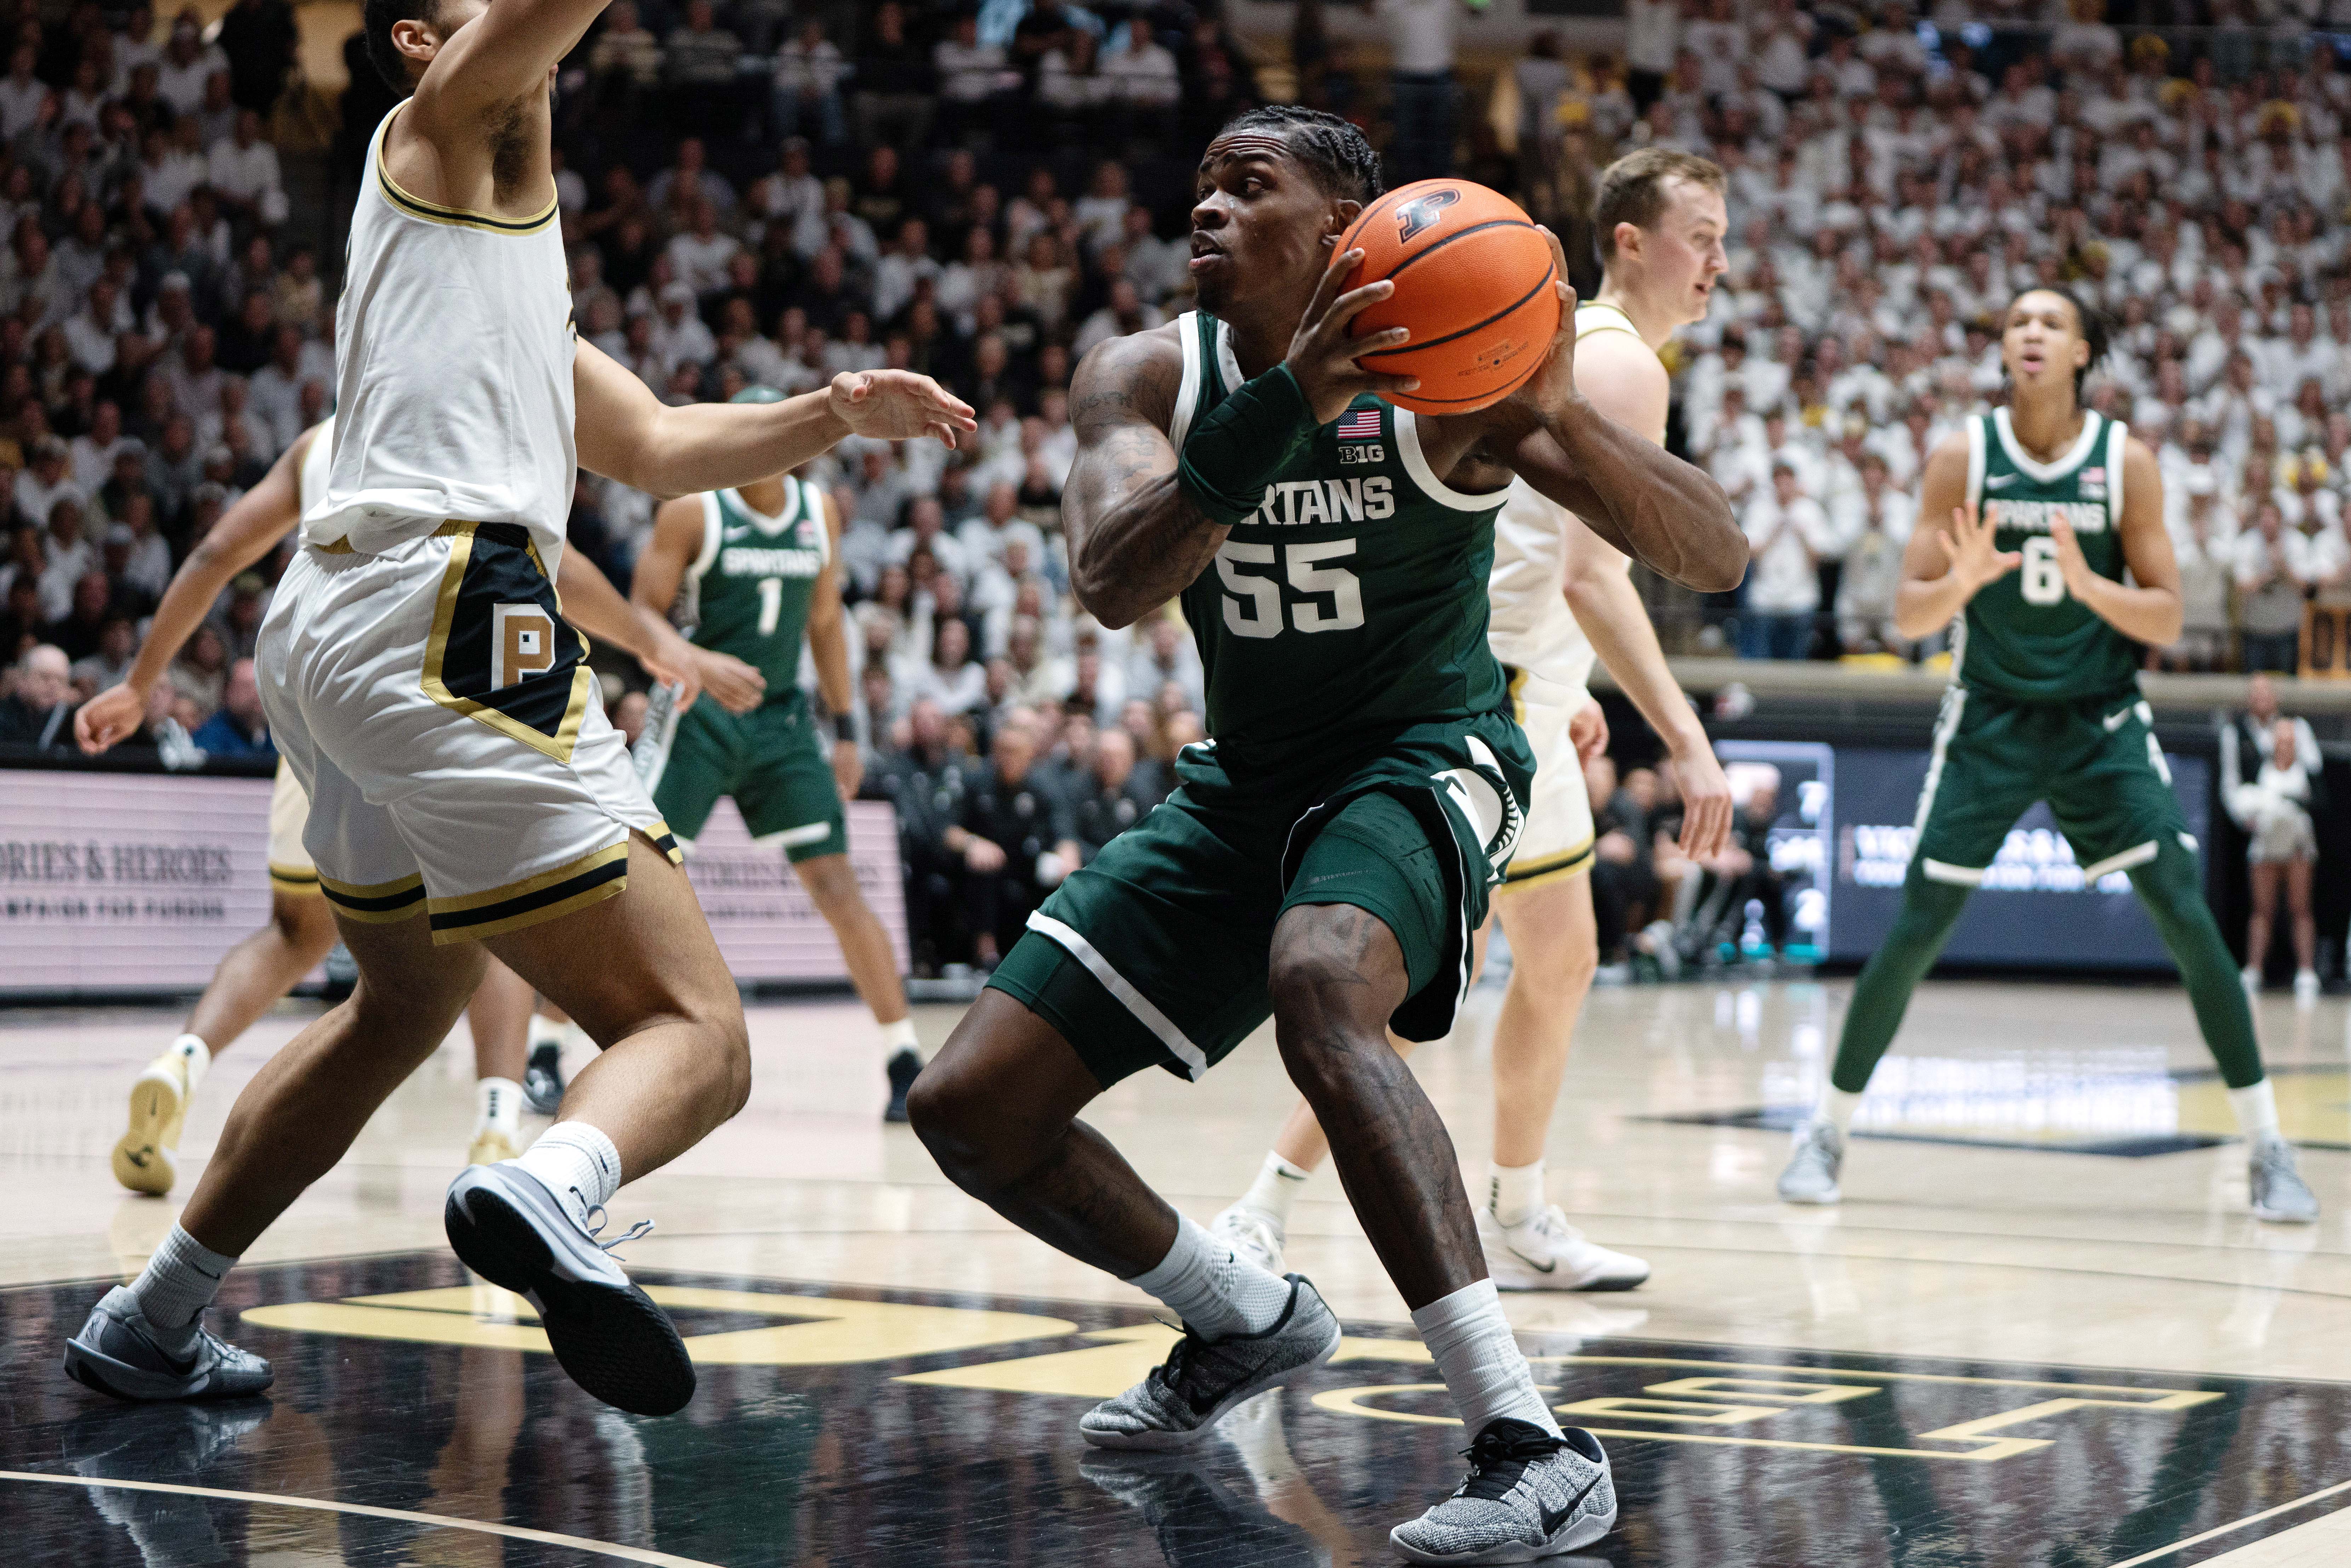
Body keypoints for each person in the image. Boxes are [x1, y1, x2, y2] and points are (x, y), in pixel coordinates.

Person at [61, 0, 973, 1418]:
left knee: (402, 1001)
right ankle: (549, 1190)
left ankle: (156, 1311)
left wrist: (830, 413)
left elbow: (664, 449)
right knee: (700, 1033)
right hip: (454, 614)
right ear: (425, 42)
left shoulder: (498, 280)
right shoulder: (431, 131)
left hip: (330, 633)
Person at [905, 105, 1742, 1563]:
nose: (1207, 213)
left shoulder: (1456, 380)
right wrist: (1289, 395)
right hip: (1242, 784)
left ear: (1347, 229)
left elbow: (1713, 551)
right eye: (1201, 190)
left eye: (1250, 188)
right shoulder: (1146, 373)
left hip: (1424, 758)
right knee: (968, 1106)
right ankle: (1240, 1317)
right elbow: (1113, 575)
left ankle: (1528, 1440)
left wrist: (1553, 404)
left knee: (1319, 977)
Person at [1207, 148, 1738, 1297]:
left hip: (1525, 685)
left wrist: (1576, 697)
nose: (1718, 262)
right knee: (1431, 977)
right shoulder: (1618, 362)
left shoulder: (1581, 353)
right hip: (1486, 690)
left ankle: (1526, 1212)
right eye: (1701, 234)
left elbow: (1537, 551)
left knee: (1559, 956)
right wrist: (1686, 740)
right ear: (1630, 241)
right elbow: (1601, 577)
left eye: (1725, 239)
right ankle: (1260, 1212)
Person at [73, 416, 758, 1192]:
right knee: (503, 914)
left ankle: (182, 1062)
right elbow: (554, 563)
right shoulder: (465, 421)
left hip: (319, 685)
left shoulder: (318, 442)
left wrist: (139, 683)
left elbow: (214, 553)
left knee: (299, 939)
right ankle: (500, 1127)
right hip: (428, 679)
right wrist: (654, 643)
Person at [1776, 286, 2317, 1225]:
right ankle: (1824, 1129)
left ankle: (2269, 1147)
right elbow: (1905, 614)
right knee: (1916, 923)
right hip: (1989, 717)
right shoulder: (1961, 457)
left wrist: (2087, 585)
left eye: (2049, 323)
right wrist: (1965, 577)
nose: (2028, 333)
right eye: (2016, 321)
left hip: (2099, 721)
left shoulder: (2126, 464)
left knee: (2187, 918)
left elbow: (2169, 616)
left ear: (2080, 353)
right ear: (2003, 349)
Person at [629, 386, 928, 1123]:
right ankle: (544, 1047)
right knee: (627, 880)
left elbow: (825, 621)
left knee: (837, 886)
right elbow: (640, 614)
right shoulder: (693, 507)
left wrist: (848, 728)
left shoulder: (818, 512)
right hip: (695, 714)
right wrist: (694, 662)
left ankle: (903, 1056)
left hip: (783, 720)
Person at [2221, 674, 2322, 1004]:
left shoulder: (2302, 767)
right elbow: (2237, 793)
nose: (2283, 743)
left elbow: (2318, 796)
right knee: (2262, 908)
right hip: (2265, 842)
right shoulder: (2258, 767)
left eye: (2288, 740)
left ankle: (2306, 971)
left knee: (2300, 907)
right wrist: (2252, 816)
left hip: (2296, 844)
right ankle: (2253, 969)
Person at [0, 642, 75, 746]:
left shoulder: (70, 719)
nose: (53, 685)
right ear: (23, 679)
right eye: (45, 677)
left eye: (61, 680)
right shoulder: (4, 715)